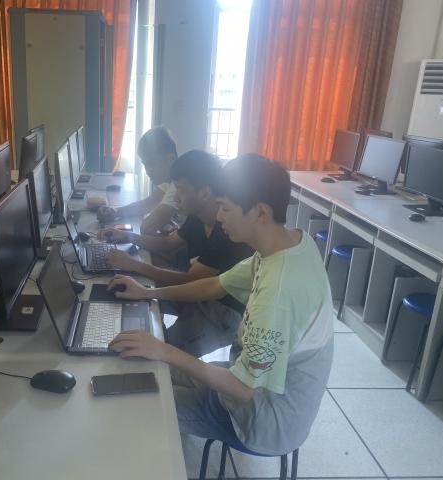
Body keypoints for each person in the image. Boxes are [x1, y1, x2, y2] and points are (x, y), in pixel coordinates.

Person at [107, 154, 334, 456]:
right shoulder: (289, 244)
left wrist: (164, 349)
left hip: (262, 421)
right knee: (149, 368)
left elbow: (243, 388)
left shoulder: (278, 293)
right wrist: (146, 293)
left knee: (140, 400)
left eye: (225, 208)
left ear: (260, 212)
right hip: (248, 384)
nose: (220, 216)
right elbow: (215, 285)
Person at [99, 150, 253, 357]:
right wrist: (127, 237)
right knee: (131, 298)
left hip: (222, 311)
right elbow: (166, 245)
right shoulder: (198, 216)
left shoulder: (225, 231)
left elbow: (190, 280)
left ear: (205, 193)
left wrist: (135, 266)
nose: (176, 197)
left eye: (181, 190)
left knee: (155, 353)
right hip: (200, 294)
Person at [97, 127, 179, 235]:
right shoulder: (171, 180)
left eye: (151, 163)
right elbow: (146, 204)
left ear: (170, 159)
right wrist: (116, 212)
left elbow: (145, 228)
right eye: (145, 164)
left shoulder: (178, 186)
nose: (147, 170)